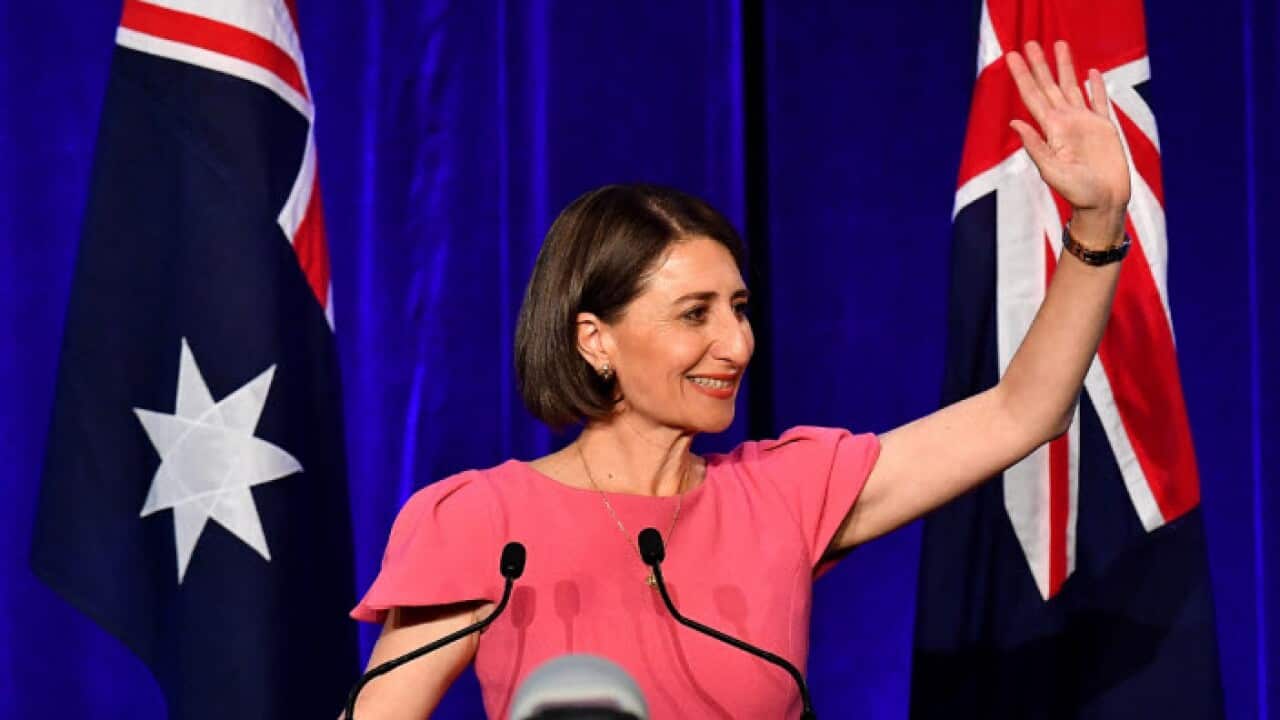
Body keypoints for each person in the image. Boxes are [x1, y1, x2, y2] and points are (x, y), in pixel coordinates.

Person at [348, 40, 1131, 719]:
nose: (736, 342)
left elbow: (1021, 413)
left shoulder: (783, 495)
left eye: (740, 308)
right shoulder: (483, 523)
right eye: (695, 314)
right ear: (595, 340)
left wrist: (1097, 224)